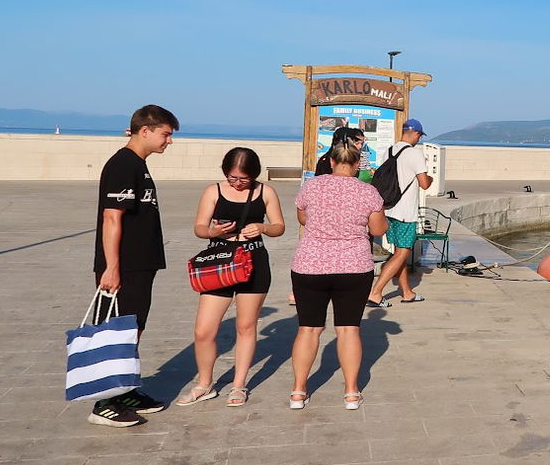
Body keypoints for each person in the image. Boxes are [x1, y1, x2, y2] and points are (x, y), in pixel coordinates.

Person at [89, 104, 179, 428]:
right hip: (124, 267)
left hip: (140, 266)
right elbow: (112, 217)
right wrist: (111, 267)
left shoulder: (137, 165)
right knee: (116, 332)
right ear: (146, 130)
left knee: (133, 328)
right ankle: (105, 402)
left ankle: (125, 389)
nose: (169, 141)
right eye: (166, 134)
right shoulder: (123, 165)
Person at [177, 148, 286, 408]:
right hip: (219, 262)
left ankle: (239, 384)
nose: (236, 184)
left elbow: (279, 227)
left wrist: (263, 228)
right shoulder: (213, 191)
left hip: (253, 261)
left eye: (243, 179)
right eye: (232, 178)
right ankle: (205, 384)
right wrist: (213, 231)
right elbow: (199, 228)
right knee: (204, 330)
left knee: (246, 326)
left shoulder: (266, 192)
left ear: (254, 175)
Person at [289, 139, 388, 410]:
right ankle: (351, 392)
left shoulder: (311, 186)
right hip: (353, 267)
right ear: (357, 165)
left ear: (331, 162)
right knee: (348, 329)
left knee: (308, 329)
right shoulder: (368, 192)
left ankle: (298, 391)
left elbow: (303, 219)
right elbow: (378, 229)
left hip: (310, 265)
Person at [368, 119, 432, 306]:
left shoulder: (389, 151)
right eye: (419, 135)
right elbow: (424, 183)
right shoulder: (415, 154)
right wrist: (430, 176)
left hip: (389, 209)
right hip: (406, 212)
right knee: (403, 252)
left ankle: (406, 292)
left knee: (398, 252)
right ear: (417, 134)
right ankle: (376, 292)